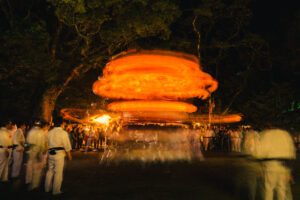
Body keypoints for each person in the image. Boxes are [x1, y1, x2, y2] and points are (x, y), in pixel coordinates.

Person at [258, 128, 296, 200]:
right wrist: (289, 171)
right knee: (282, 190)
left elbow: (260, 152)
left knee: (269, 190)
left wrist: (260, 166)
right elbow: (291, 152)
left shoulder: (267, 135)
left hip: (270, 165)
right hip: (283, 165)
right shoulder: (285, 134)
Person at [45, 118, 72, 195]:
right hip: (59, 154)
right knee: (58, 172)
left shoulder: (49, 132)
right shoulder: (63, 133)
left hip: (50, 153)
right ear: (61, 124)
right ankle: (56, 190)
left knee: (50, 171)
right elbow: (66, 144)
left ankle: (47, 188)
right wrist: (69, 154)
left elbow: (46, 143)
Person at [25, 120, 48, 190]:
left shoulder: (30, 132)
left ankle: (28, 180)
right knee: (37, 169)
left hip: (31, 152)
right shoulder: (41, 133)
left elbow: (27, 143)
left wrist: (27, 152)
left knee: (30, 167)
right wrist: (43, 151)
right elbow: (43, 144)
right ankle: (34, 185)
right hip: (38, 152)